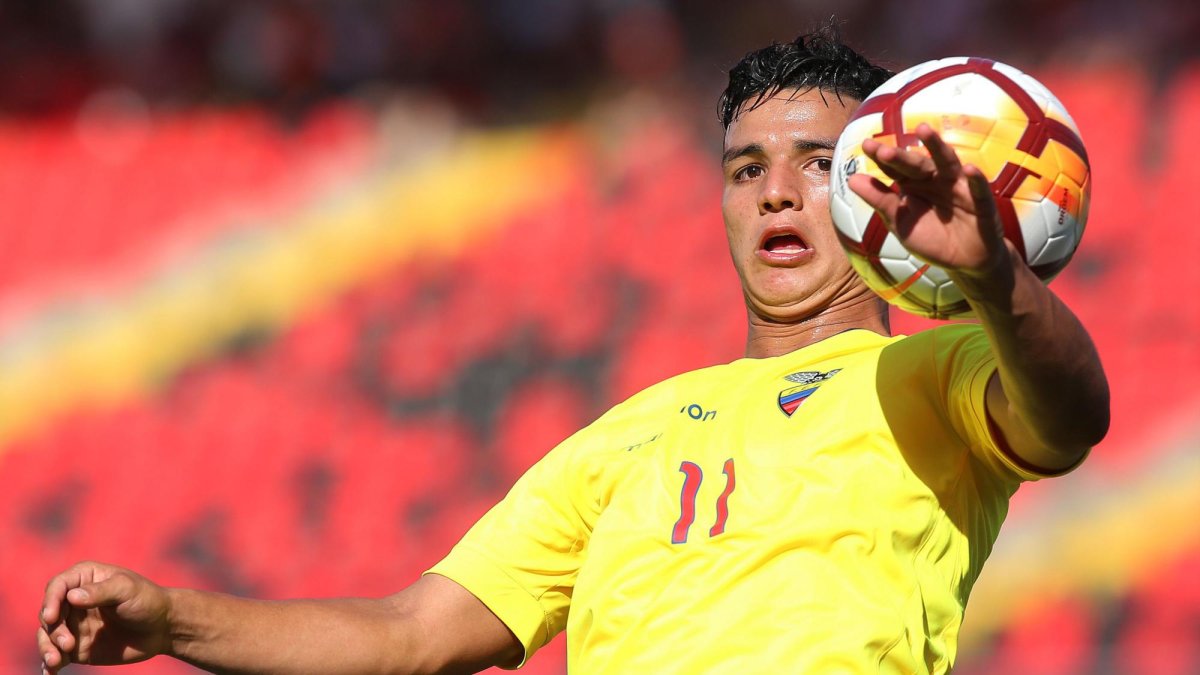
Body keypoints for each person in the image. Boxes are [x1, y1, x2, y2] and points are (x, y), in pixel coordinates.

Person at [37, 25, 1109, 675]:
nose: (777, 191)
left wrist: (991, 275)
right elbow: (413, 635)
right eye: (745, 170)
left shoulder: (940, 369)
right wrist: (175, 618)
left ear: (870, 189)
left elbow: (1070, 419)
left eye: (817, 164)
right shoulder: (623, 438)